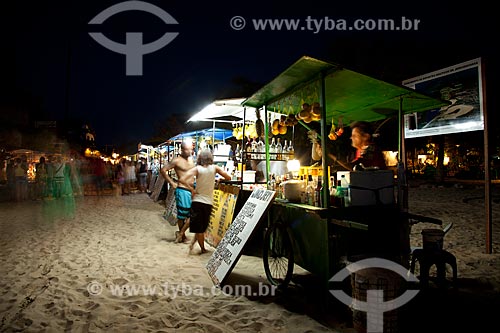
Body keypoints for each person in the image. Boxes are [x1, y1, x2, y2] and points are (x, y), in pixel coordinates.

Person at [180, 149, 231, 254]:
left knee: (198, 227)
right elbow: (229, 177)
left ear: (200, 159)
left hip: (197, 201)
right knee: (202, 226)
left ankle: (200, 247)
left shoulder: (197, 169)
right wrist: (220, 180)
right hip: (208, 202)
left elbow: (183, 179)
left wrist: (192, 189)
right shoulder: (215, 168)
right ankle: (201, 248)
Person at [160, 141, 195, 243]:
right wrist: (171, 182)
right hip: (182, 189)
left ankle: (180, 233)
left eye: (191, 149)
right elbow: (163, 170)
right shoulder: (176, 160)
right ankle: (182, 234)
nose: (190, 151)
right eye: (187, 149)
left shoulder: (191, 159)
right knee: (182, 215)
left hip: (192, 189)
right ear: (182, 150)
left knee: (193, 214)